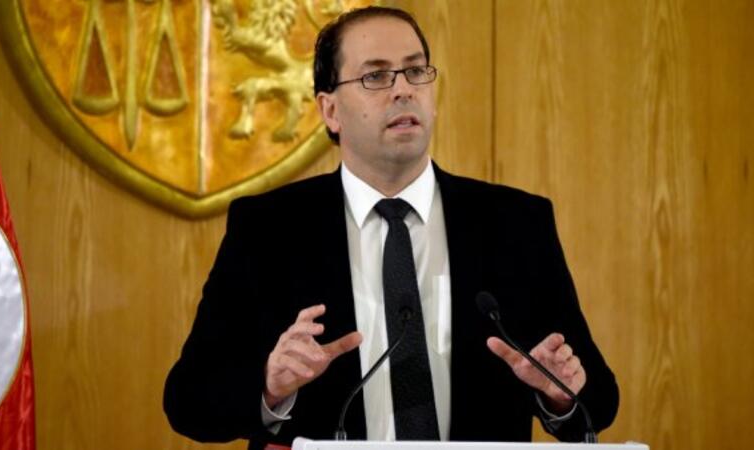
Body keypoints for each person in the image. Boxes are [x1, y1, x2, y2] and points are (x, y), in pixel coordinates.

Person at [164, 6, 618, 449]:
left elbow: (599, 401)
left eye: (416, 71)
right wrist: (269, 385)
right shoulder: (268, 229)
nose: (403, 90)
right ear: (330, 110)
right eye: (376, 76)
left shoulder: (515, 223)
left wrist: (560, 394)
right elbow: (188, 402)